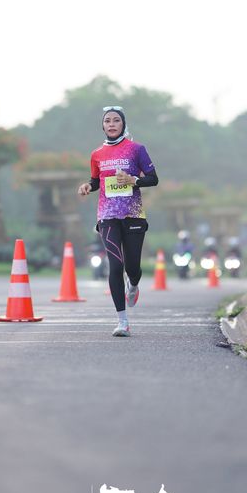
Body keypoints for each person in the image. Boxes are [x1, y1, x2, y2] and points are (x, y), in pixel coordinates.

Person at [77, 106, 159, 337]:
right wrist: (87, 186)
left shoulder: (136, 149)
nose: (111, 124)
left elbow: (153, 179)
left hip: (133, 215)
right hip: (107, 216)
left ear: (123, 124)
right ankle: (122, 321)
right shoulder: (97, 154)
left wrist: (133, 180)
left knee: (132, 267)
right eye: (107, 121)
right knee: (115, 266)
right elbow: (96, 181)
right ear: (102, 126)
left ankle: (133, 284)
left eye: (116, 120)